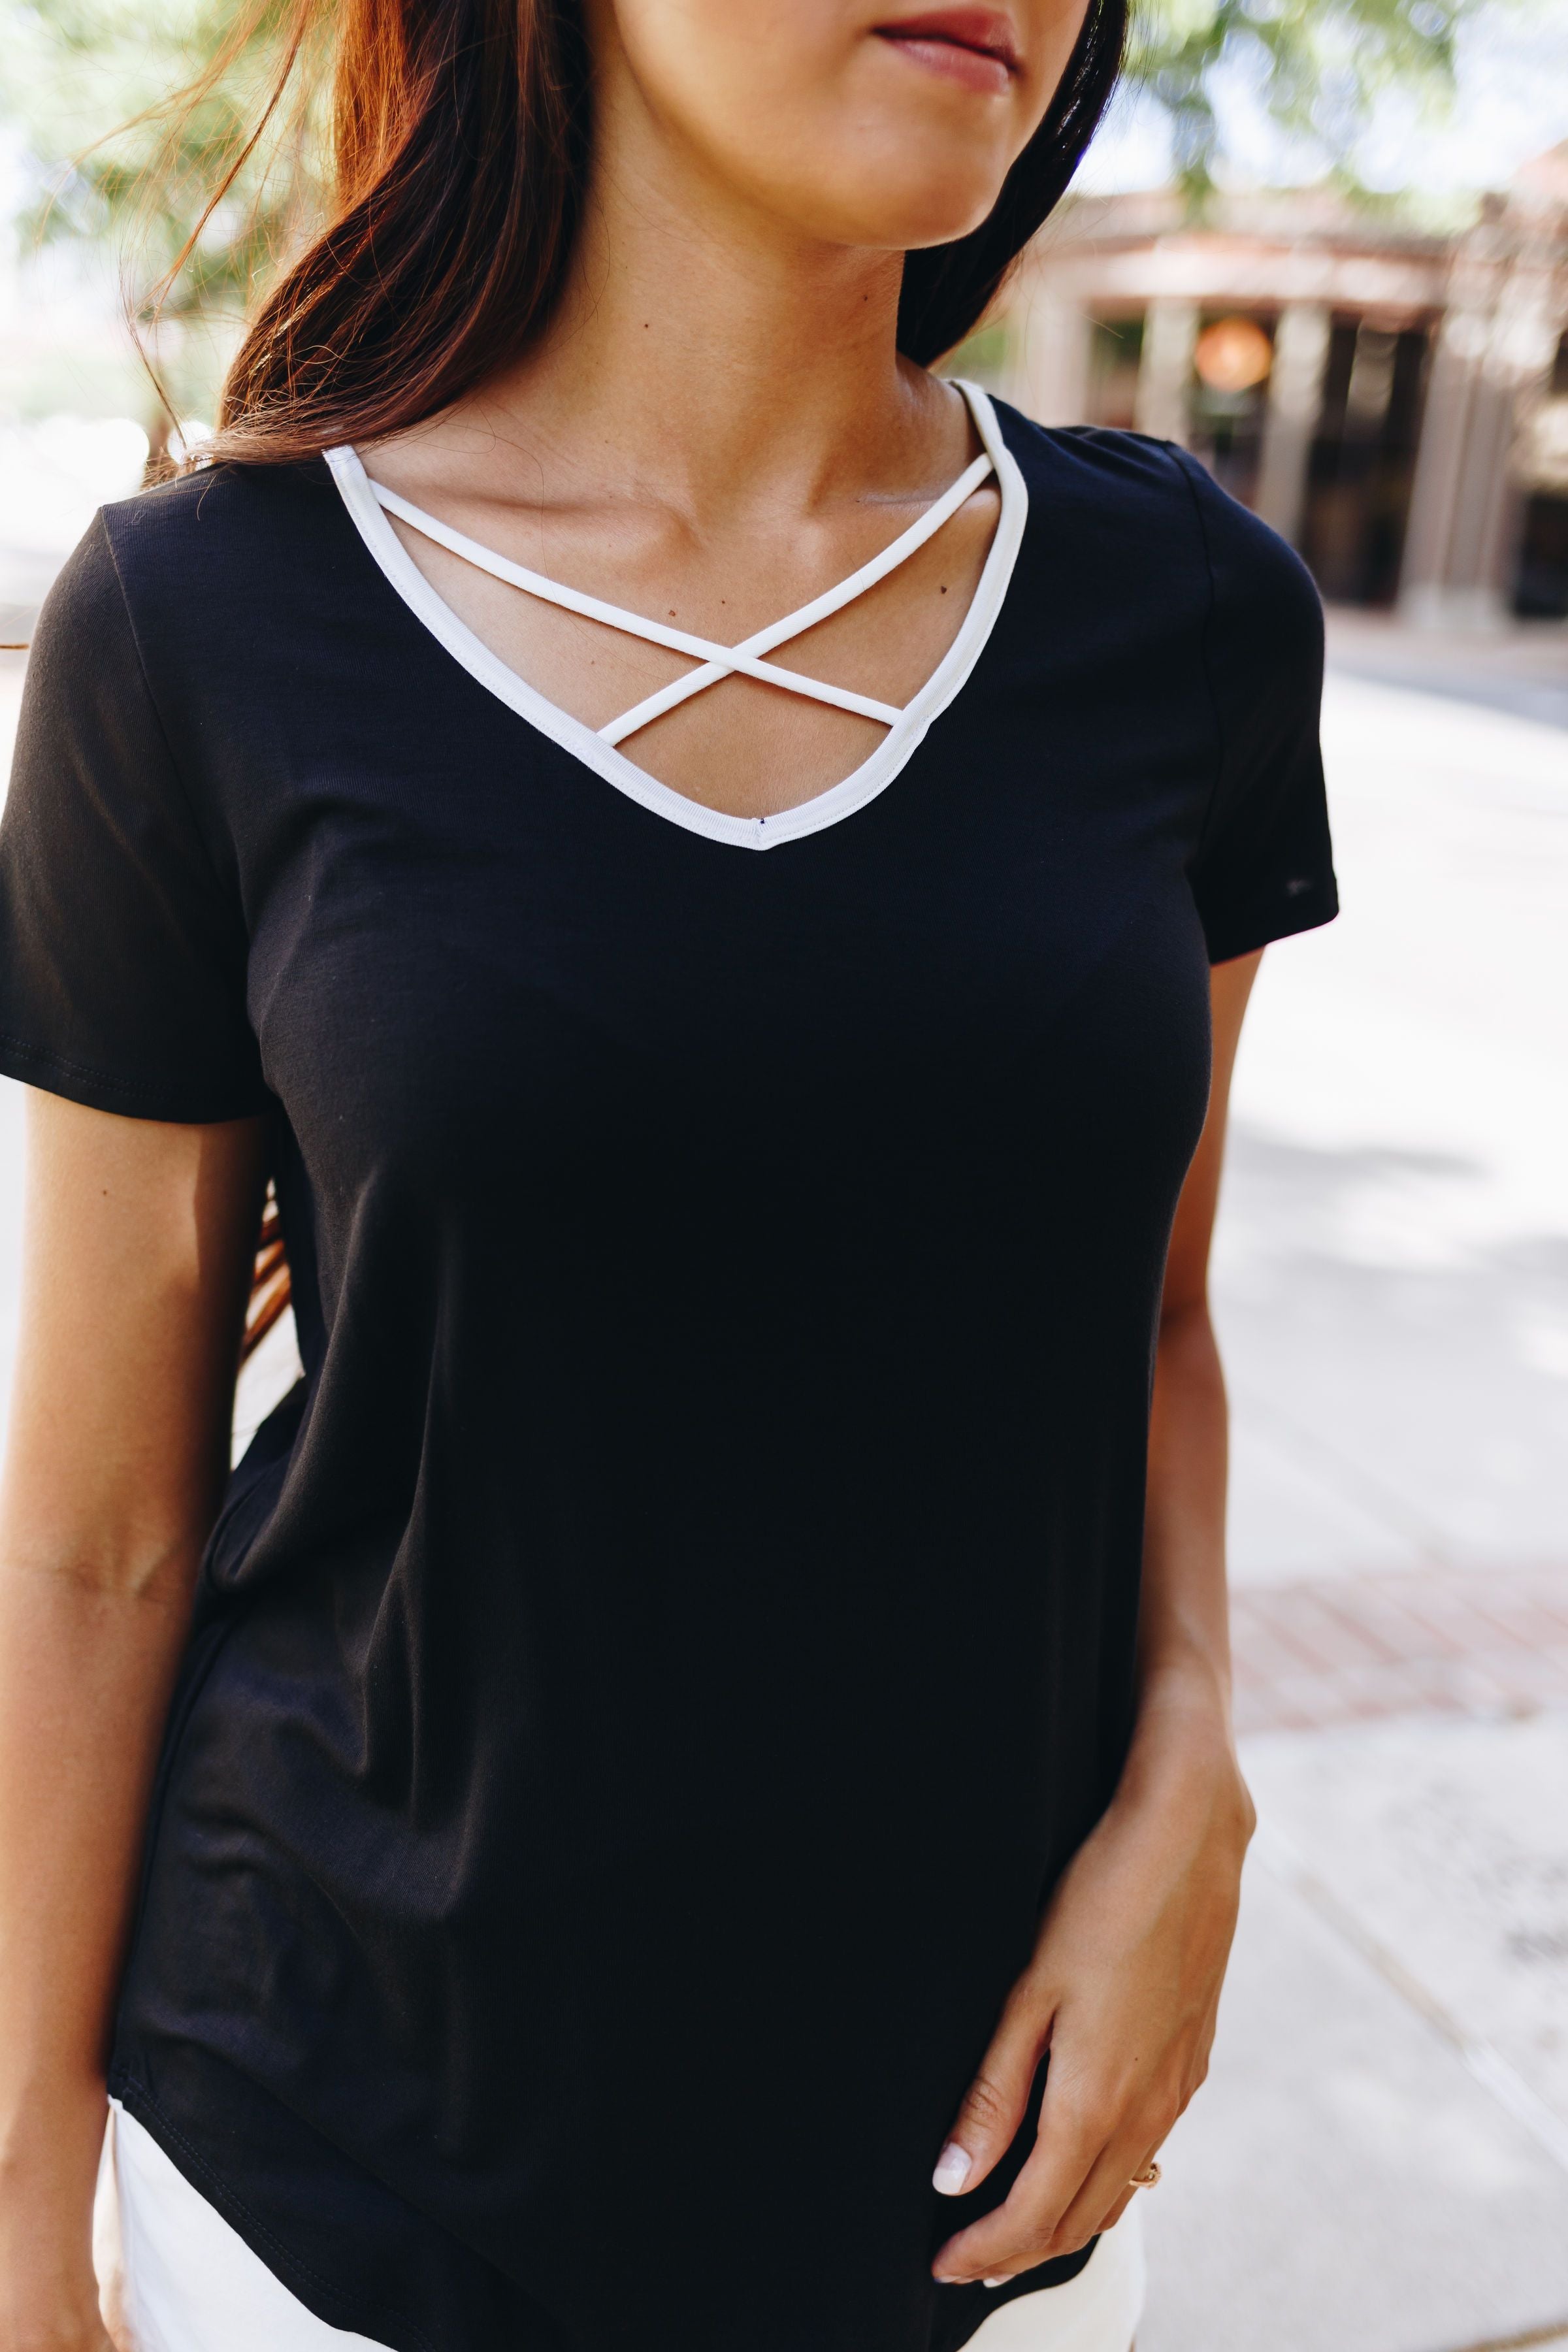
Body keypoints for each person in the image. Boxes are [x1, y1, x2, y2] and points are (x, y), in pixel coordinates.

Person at [0, 0, 1338, 2346]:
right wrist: (19, 2213)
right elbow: (100, 1534)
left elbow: (1152, 1308)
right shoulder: (205, 628)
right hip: (334, 2192)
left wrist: (1194, 1765)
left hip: (982, 2204)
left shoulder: (1188, 617)